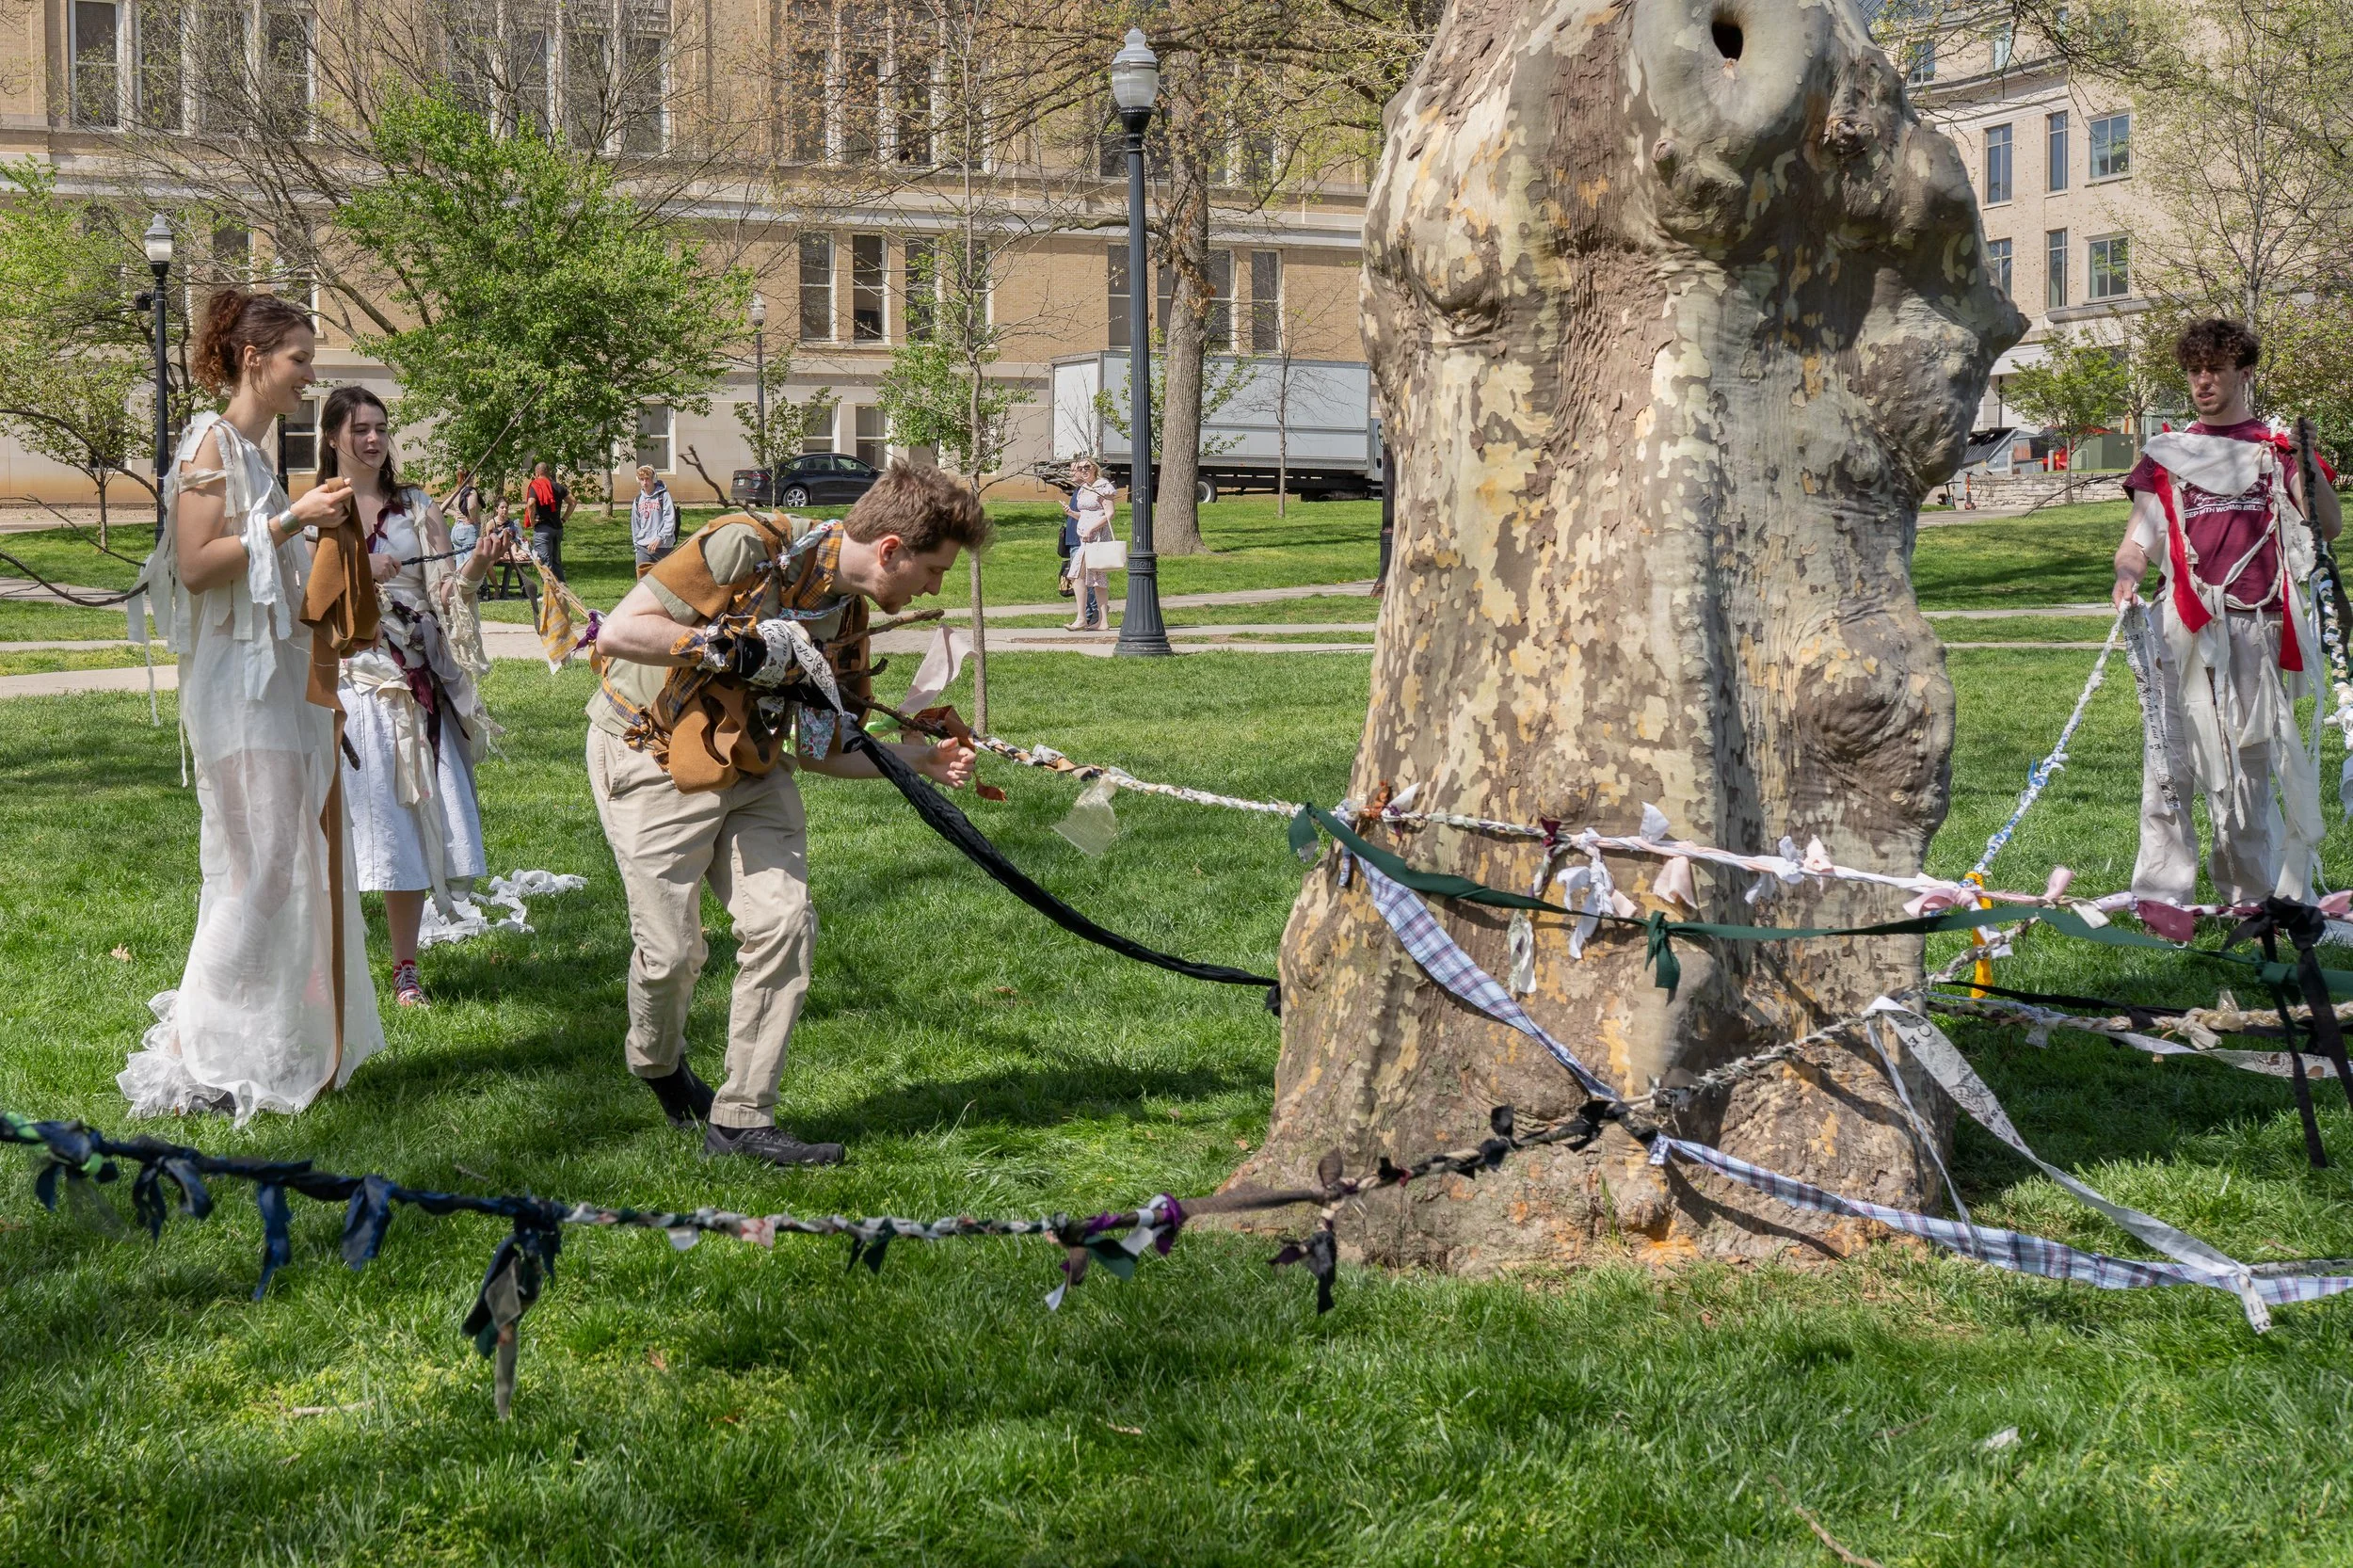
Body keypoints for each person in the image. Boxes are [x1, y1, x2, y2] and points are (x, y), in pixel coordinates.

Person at [588, 461, 989, 1166]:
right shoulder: (748, 546)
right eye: (932, 569)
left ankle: (742, 1119)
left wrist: (918, 759)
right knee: (673, 954)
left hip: (753, 767)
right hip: (652, 755)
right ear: (890, 549)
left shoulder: (848, 617)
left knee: (783, 921)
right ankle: (657, 1064)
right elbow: (619, 632)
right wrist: (732, 648)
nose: (935, 586)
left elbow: (820, 749)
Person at [119, 288, 387, 1122]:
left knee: (281, 859)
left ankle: (262, 1038)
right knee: (260, 864)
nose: (311, 377)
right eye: (301, 359)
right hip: (236, 690)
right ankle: (192, 1047)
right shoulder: (209, 440)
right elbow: (197, 565)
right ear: (254, 359)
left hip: (276, 682)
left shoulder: (254, 451)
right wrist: (290, 523)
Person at [2112, 317, 2343, 911]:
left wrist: (2306, 463)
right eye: (2193, 371)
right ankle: (2163, 896)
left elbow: (2329, 527)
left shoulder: (2276, 450)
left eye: (2215, 369)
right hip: (2182, 623)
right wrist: (2126, 579)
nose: (2202, 381)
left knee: (2250, 764)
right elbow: (2138, 536)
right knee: (2170, 759)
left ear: (2244, 372)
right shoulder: (2166, 454)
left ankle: (2249, 895)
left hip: (2258, 627)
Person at [330, 387, 504, 1007]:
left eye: (381, 428)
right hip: (347, 687)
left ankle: (405, 969)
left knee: (403, 830)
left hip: (410, 686)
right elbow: (300, 601)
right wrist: (355, 570)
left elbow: (447, 592)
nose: (374, 439)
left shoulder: (418, 507)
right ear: (333, 438)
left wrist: (479, 564)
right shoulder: (317, 509)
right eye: (360, 429)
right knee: (336, 837)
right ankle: (329, 966)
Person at [1064, 457, 1118, 632]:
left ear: (1095, 468)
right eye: (1080, 468)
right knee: (1096, 580)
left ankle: (1082, 619)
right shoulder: (1083, 488)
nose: (1083, 470)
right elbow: (1086, 515)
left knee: (1077, 576)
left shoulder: (1103, 486)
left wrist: (1091, 529)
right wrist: (1072, 513)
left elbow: (1109, 514)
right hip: (1084, 539)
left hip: (1097, 539)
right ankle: (1102, 622)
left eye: (1087, 467)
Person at [525, 461, 573, 581]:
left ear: (536, 473)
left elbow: (531, 503)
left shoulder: (536, 485)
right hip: (557, 527)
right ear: (549, 472)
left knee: (545, 563)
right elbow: (573, 502)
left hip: (543, 529)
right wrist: (564, 519)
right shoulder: (558, 487)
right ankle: (562, 592)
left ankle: (549, 594)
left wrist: (532, 522)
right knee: (556, 562)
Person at [630, 463, 679, 577]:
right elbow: (635, 526)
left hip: (663, 547)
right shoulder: (638, 500)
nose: (645, 483)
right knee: (642, 584)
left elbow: (670, 521)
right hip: (643, 548)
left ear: (653, 479)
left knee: (665, 582)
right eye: (641, 479)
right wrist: (637, 547)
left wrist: (660, 538)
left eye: (647, 479)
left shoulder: (664, 496)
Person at [443, 467, 483, 556]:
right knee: (469, 565)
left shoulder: (456, 493)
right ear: (471, 478)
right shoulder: (471, 491)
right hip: (468, 530)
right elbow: (471, 506)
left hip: (456, 530)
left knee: (459, 566)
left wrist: (455, 514)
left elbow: (442, 507)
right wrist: (471, 518)